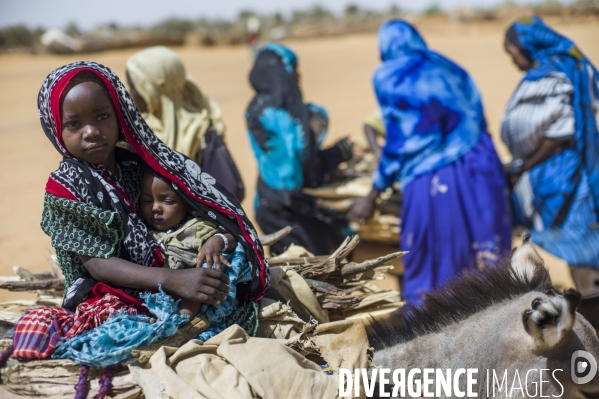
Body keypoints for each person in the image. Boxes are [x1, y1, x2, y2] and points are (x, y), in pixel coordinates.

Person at [11, 62, 269, 361]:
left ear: (121, 116)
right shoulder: (64, 188)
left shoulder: (138, 166)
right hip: (107, 290)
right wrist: (175, 280)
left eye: (102, 116)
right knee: (122, 326)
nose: (91, 131)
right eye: (74, 124)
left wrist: (217, 242)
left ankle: (190, 315)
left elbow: (200, 213)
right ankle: (182, 323)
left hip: (168, 266)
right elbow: (98, 264)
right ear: (56, 128)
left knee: (228, 258)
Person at [349, 20, 511, 303]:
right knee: (486, 261)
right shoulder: (447, 66)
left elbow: (402, 139)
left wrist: (372, 194)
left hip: (436, 180)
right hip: (483, 168)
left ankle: (434, 336)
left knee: (433, 264)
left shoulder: (393, 75)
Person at [502, 16, 599, 269]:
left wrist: (523, 165)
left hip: (568, 174)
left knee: (582, 244)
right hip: (575, 167)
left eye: (511, 51)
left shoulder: (552, 74)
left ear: (527, 45)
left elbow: (560, 133)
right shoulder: (571, 66)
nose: (511, 59)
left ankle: (590, 303)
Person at [246, 43, 353, 255]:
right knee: (302, 271)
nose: (299, 76)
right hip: (281, 208)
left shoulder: (288, 109)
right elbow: (293, 167)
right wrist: (334, 156)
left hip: (282, 203)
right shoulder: (271, 112)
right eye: (293, 70)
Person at [126, 46, 245, 201]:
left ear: (155, 88)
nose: (130, 95)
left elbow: (230, 192)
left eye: (134, 87)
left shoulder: (200, 133)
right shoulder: (132, 132)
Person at [140, 170, 239, 317]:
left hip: (194, 293)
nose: (155, 208)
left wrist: (216, 241)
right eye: (147, 201)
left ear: (188, 204)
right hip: (161, 293)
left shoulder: (196, 227)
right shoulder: (141, 231)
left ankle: (184, 320)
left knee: (207, 269)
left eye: (167, 201)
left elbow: (234, 238)